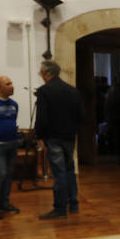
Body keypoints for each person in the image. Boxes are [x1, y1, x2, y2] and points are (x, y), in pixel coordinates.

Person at [35, 60, 84, 219]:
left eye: (41, 73)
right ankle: (73, 204)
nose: (41, 76)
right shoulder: (72, 90)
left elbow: (42, 117)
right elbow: (82, 116)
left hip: (53, 137)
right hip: (69, 136)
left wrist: (39, 136)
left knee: (59, 173)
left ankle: (60, 208)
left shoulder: (44, 91)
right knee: (70, 171)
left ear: (47, 73)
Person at [0, 76, 20, 219]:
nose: (12, 86)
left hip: (12, 143)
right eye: (8, 84)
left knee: (8, 175)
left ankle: (4, 203)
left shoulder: (14, 104)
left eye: (11, 82)